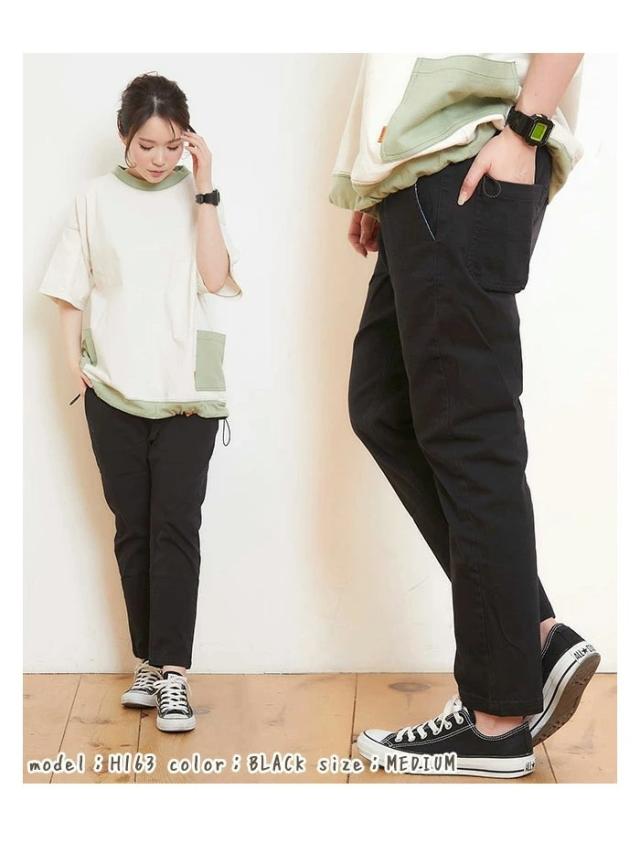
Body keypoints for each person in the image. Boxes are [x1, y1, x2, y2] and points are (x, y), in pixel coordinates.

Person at [330, 53, 600, 778]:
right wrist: (380, 179)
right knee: (383, 405)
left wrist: (525, 128)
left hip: (469, 157)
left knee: (470, 430)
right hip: (418, 172)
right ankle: (531, 635)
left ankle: (497, 718)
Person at [39, 72, 241, 733]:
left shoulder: (197, 195)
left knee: (175, 526)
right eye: (147, 145)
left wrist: (204, 187)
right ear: (124, 136)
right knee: (133, 529)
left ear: (189, 142)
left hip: (187, 392)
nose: (159, 159)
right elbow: (70, 289)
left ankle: (174, 673)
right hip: (113, 389)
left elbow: (215, 276)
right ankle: (148, 664)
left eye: (172, 146)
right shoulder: (93, 199)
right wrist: (74, 366)